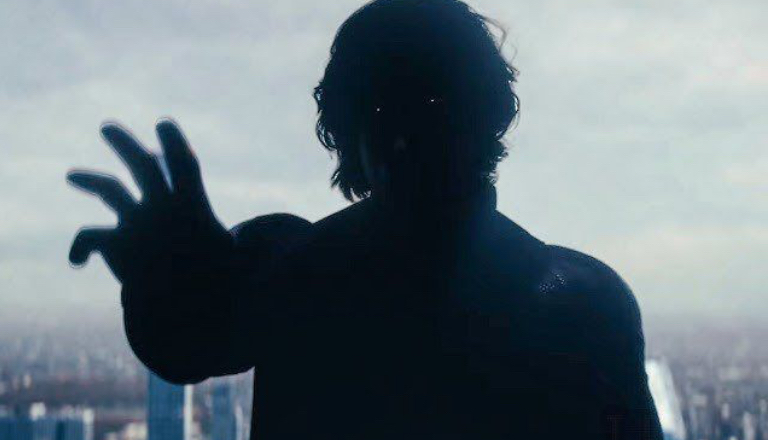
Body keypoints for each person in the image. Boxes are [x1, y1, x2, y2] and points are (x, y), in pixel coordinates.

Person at [67, 0, 664, 438]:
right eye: (381, 108)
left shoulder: (292, 268)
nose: (407, 134)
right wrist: (166, 280)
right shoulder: (582, 301)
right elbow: (188, 341)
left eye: (432, 102)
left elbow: (190, 339)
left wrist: (169, 279)